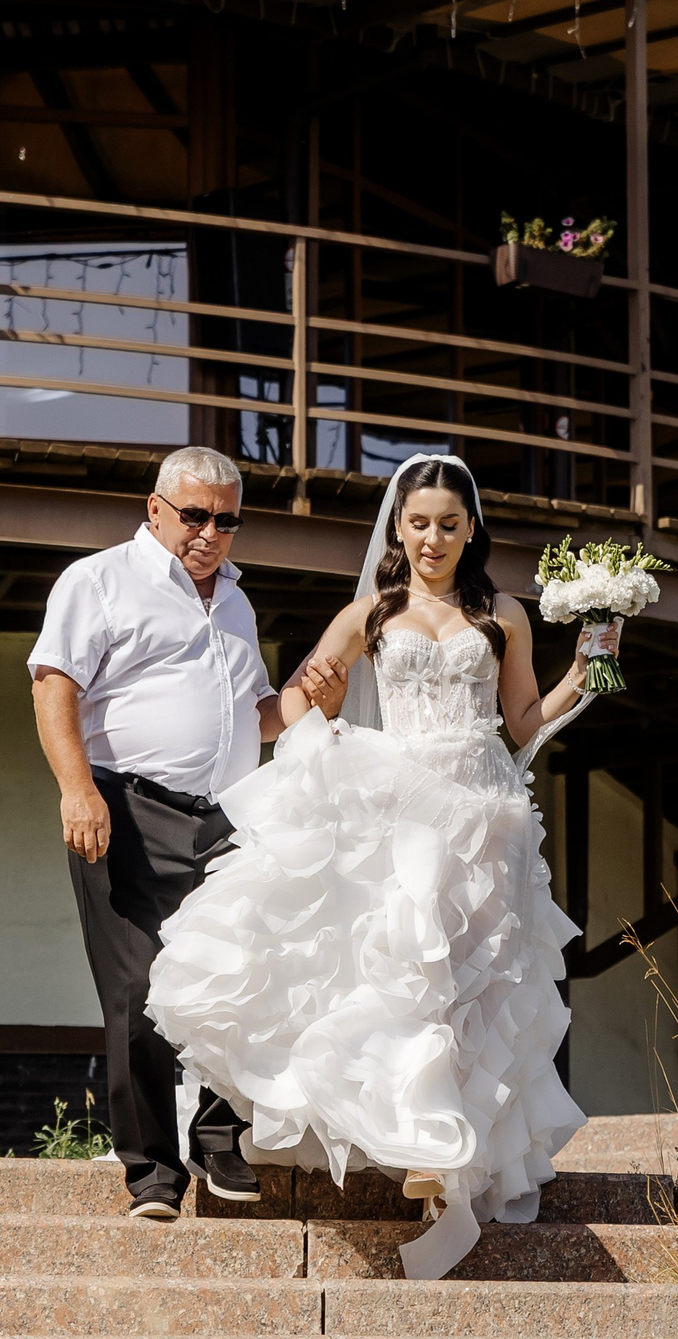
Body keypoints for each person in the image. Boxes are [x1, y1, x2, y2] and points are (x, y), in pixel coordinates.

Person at [145, 454, 613, 1280]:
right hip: (400, 807)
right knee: (412, 977)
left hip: (485, 815)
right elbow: (289, 709)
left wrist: (591, 662)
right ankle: (422, 1144)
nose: (433, 539)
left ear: (471, 530)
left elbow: (524, 719)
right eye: (420, 523)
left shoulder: (504, 613)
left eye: (450, 524)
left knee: (478, 989)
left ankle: (454, 1162)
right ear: (398, 528)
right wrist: (321, 701)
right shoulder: (369, 612)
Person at [29, 445, 342, 1221]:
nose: (209, 533)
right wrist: (76, 790)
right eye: (195, 515)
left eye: (227, 520)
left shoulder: (236, 601)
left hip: (227, 816)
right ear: (155, 509)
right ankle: (152, 1176)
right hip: (124, 809)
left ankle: (220, 1141)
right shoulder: (98, 581)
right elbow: (53, 685)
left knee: (244, 977)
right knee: (137, 993)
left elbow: (259, 717)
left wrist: (314, 698)